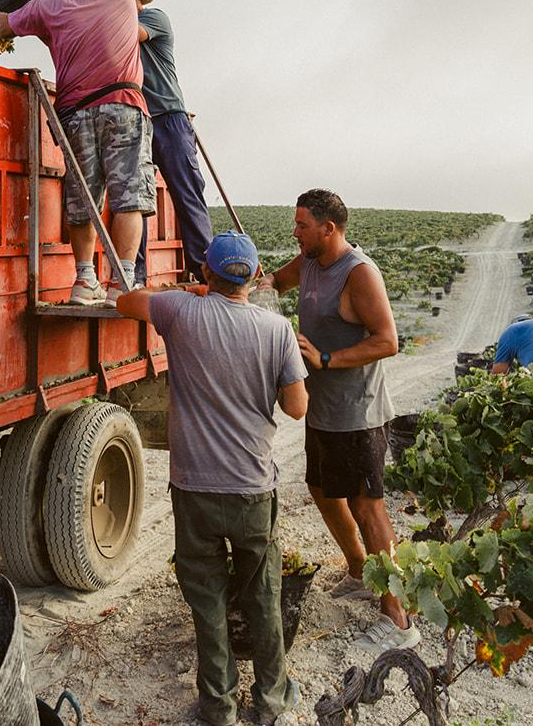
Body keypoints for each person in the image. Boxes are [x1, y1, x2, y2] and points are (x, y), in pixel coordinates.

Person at [116, 232, 308, 726]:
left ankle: (218, 706)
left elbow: (124, 300)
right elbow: (296, 407)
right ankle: (270, 700)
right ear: (255, 274)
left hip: (194, 488)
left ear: (207, 273)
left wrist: (194, 294)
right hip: (252, 487)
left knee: (207, 599)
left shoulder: (181, 312)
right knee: (263, 596)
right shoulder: (276, 329)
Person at [256, 188, 418, 653]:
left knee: (368, 504)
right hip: (322, 406)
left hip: (358, 410)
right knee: (324, 491)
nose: (295, 231)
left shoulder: (359, 274)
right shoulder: (307, 260)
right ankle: (358, 571)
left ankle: (399, 618)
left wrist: (326, 357)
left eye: (302, 224)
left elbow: (388, 341)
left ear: (329, 228)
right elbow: (273, 285)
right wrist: (242, 287)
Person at [0, 0, 154, 306]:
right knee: (129, 198)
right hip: (123, 104)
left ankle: (84, 281)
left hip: (75, 113)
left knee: (83, 199)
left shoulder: (49, 7)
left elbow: (2, 27)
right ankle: (122, 282)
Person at [103, 0, 213, 287]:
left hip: (169, 119)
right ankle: (133, 276)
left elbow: (128, 34)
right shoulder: (110, 26)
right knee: (135, 199)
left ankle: (203, 272)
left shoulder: (153, 18)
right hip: (137, 121)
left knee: (186, 194)